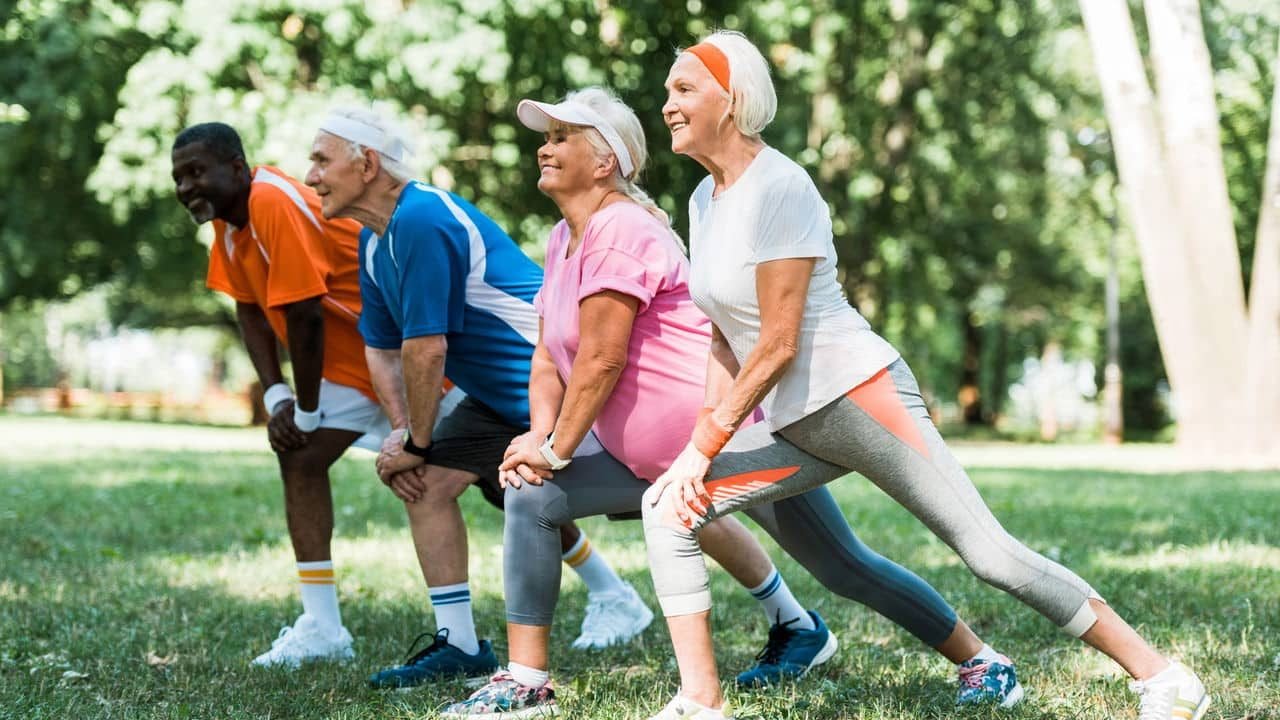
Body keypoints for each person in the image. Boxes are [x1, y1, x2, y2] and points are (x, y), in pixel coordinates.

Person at [640, 31, 1211, 720]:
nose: (666, 104)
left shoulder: (780, 187)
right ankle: (701, 701)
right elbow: (729, 338)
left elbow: (779, 341)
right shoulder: (704, 202)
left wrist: (705, 445)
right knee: (669, 508)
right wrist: (699, 453)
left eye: (683, 89)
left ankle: (1163, 677)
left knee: (990, 555)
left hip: (858, 396)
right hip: (797, 423)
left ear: (731, 100)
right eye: (669, 91)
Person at [440, 87, 1022, 719]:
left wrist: (555, 449)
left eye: (560, 137)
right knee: (533, 496)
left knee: (844, 566)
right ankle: (527, 682)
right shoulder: (563, 239)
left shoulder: (620, 230)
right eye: (545, 137)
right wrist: (539, 441)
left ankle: (980, 658)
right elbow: (551, 355)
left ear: (605, 160)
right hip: (654, 463)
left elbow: (602, 360)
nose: (543, 148)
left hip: (730, 443)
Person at [302, 108, 653, 688]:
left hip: (557, 387)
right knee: (427, 484)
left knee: (673, 497)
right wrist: (402, 436)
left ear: (366, 164)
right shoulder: (373, 241)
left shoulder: (419, 219)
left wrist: (416, 439)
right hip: (494, 397)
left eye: (321, 160)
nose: (310, 176)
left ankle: (786, 614)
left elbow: (426, 349)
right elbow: (382, 349)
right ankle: (461, 643)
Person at [171, 122, 392, 668]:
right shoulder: (229, 223)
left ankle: (610, 592)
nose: (185, 187)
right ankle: (323, 627)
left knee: (490, 477)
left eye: (197, 172)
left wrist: (308, 409)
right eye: (177, 178)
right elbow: (249, 307)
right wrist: (276, 397)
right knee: (300, 459)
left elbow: (306, 314)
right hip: (355, 364)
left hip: (397, 356)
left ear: (238, 168)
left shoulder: (271, 201)